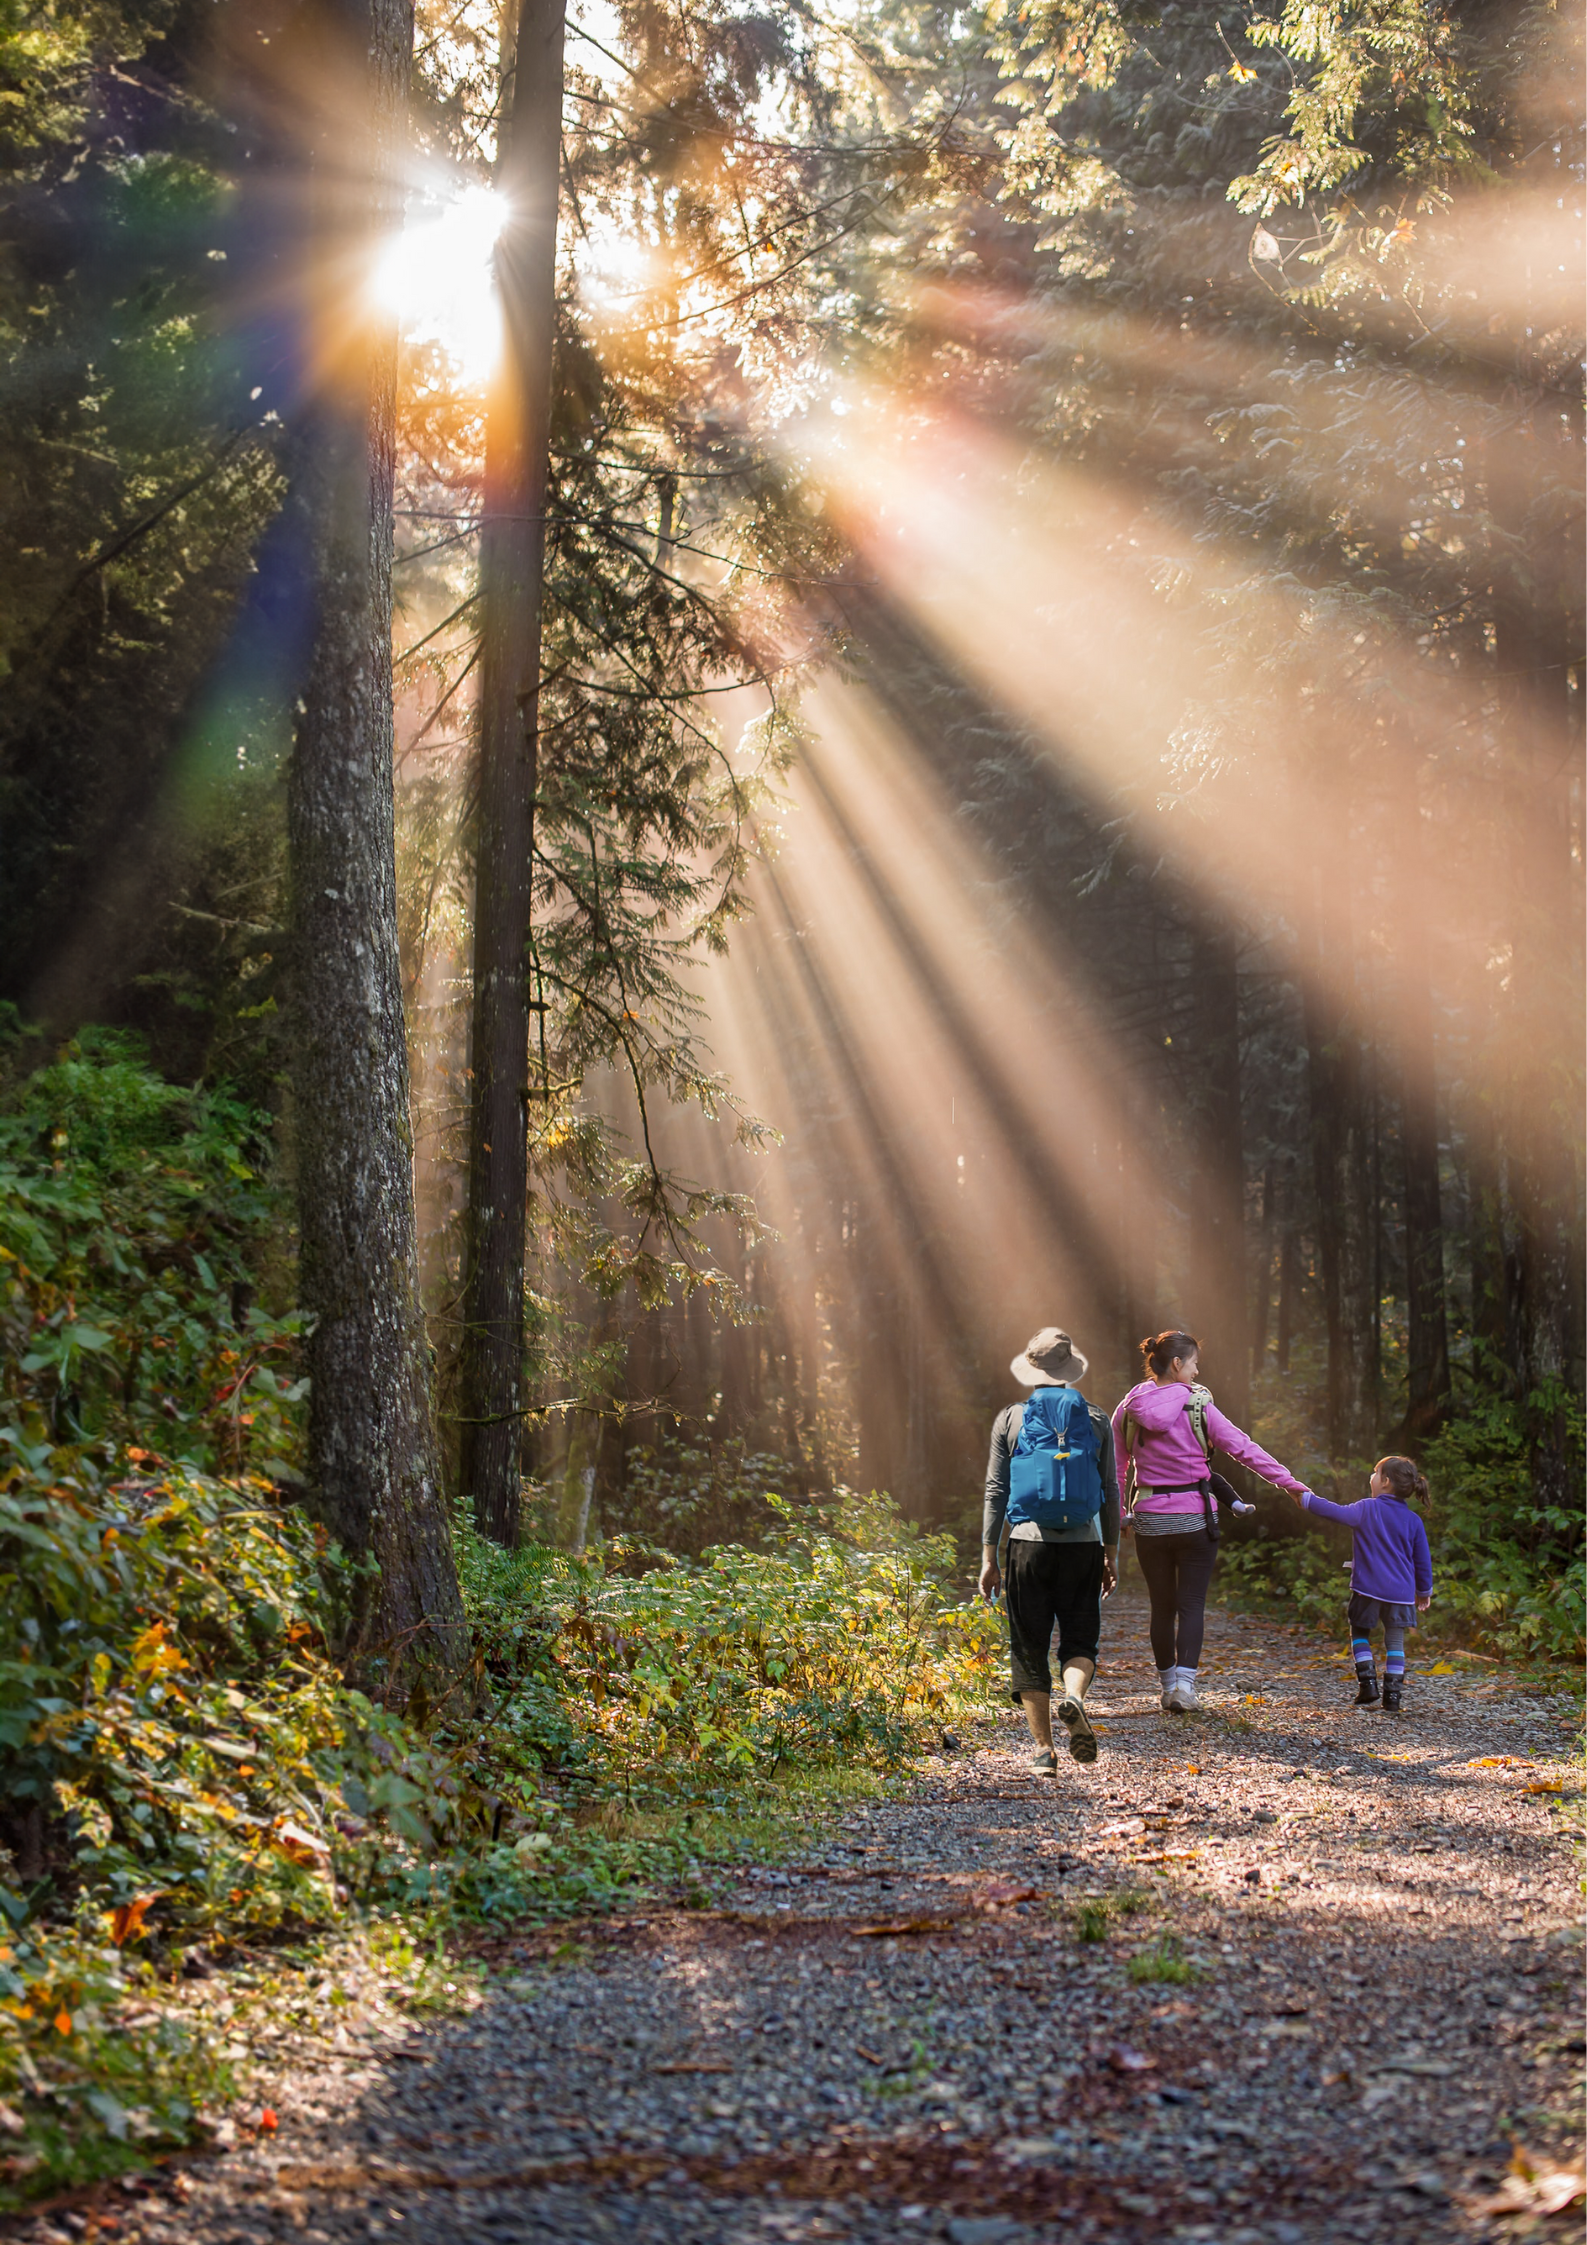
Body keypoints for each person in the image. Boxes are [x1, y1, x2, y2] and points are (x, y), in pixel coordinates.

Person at [1113, 1330, 1312, 1714]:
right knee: (1191, 1605)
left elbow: (1117, 1467)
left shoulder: (1128, 1407)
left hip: (1150, 1519)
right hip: (1194, 1519)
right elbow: (1243, 1448)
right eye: (1193, 1363)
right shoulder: (1198, 1404)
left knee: (1161, 1607)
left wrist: (1122, 1512)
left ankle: (1166, 1686)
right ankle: (1184, 1690)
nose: (1196, 1370)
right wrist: (1288, 1483)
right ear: (1176, 1364)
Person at [980, 1326, 1121, 1776]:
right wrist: (1111, 1553)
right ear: (1069, 1370)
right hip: (1084, 1544)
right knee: (1080, 1639)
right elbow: (1112, 1490)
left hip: (1027, 1545)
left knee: (1028, 1648)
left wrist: (988, 1556)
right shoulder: (1096, 1419)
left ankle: (1044, 1752)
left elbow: (996, 1490)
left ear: (1032, 1370)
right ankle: (1075, 1697)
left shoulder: (1011, 1419)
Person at [1289, 1456, 1433, 1712]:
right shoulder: (1414, 1521)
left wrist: (1306, 1499)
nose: (1371, 1477)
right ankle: (1393, 1697)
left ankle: (1368, 1684)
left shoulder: (1367, 1508)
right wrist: (1424, 1592)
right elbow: (1422, 1561)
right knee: (1395, 1643)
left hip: (1368, 1588)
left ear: (1386, 1482)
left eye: (1375, 1473)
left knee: (1359, 1633)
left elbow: (1335, 1511)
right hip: (1400, 1594)